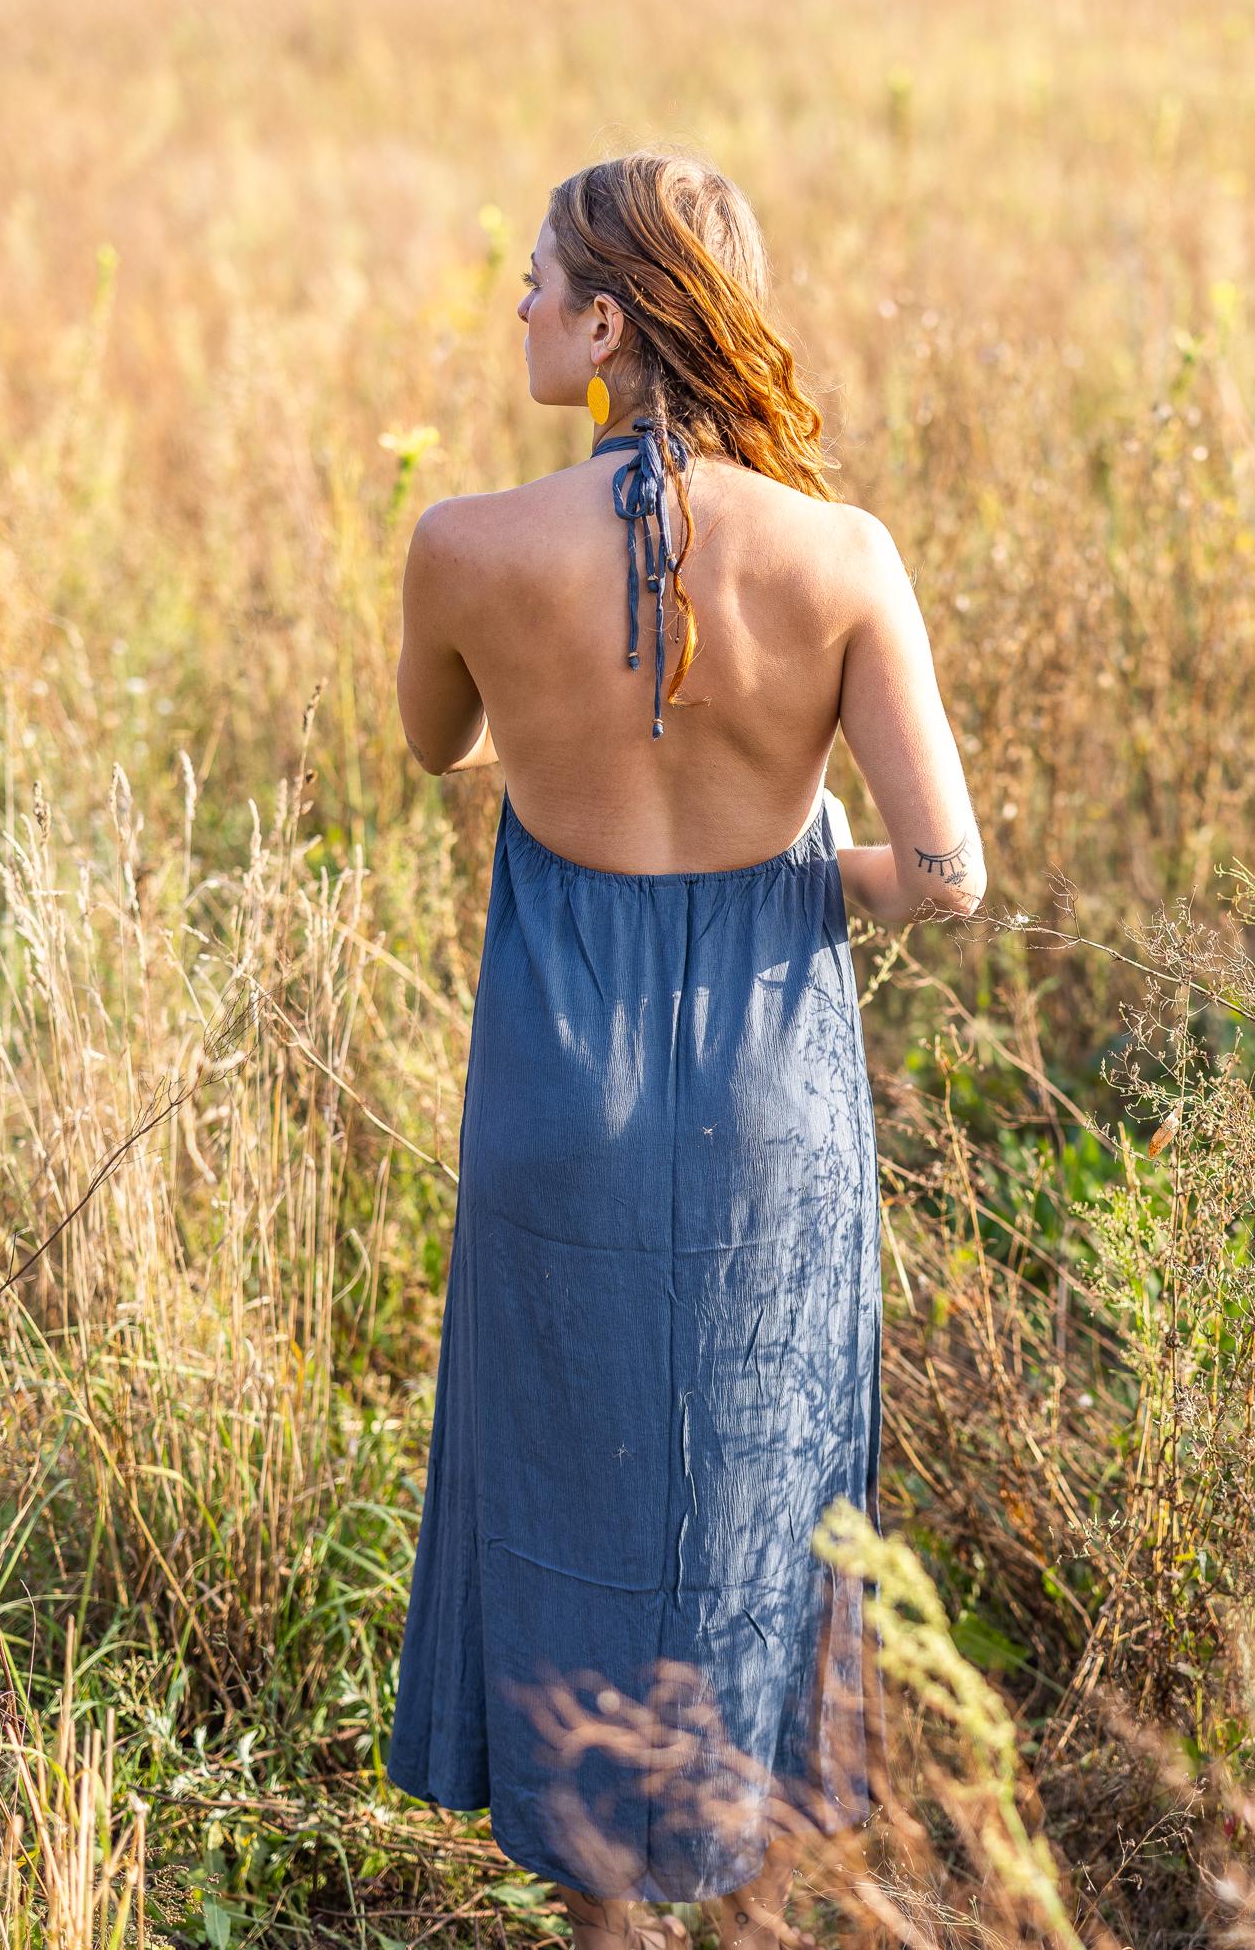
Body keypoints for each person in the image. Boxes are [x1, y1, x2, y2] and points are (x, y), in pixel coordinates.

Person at [382, 149, 985, 1950]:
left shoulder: (465, 547)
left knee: (567, 1469)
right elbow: (948, 875)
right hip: (769, 1085)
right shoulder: (843, 555)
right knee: (760, 1462)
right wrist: (792, 861)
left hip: (559, 1082)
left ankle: (610, 1927)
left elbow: (437, 747)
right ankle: (740, 1902)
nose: (515, 305)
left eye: (536, 278)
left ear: (611, 320)